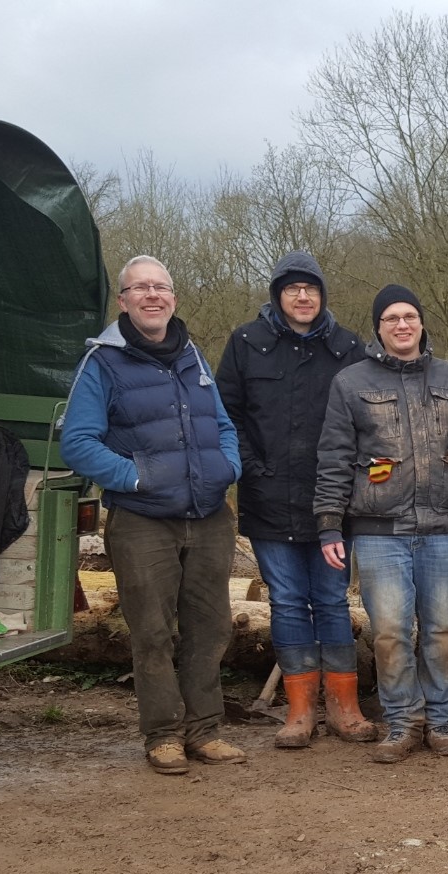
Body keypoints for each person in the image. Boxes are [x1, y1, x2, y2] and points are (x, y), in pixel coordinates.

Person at [63, 255, 245, 775]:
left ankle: (205, 731)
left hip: (209, 515)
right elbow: (77, 442)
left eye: (160, 288)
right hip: (143, 520)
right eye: (139, 288)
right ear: (122, 301)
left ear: (173, 299)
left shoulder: (192, 356)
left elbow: (223, 425)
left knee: (210, 629)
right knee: (152, 633)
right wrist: (135, 478)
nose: (152, 296)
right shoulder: (102, 363)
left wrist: (226, 467)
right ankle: (163, 736)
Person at [313, 284, 448, 764]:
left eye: (409, 315)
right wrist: (329, 524)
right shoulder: (351, 383)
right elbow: (333, 457)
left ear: (422, 322)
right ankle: (403, 721)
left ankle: (443, 721)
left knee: (440, 630)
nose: (402, 324)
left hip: (442, 528)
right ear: (378, 327)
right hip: (376, 530)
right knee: (388, 632)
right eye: (391, 318)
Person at [216, 251, 374, 749]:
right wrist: (251, 467)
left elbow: (366, 422)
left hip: (333, 501)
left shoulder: (347, 347)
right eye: (292, 288)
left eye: (311, 288)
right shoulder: (247, 342)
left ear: (323, 295)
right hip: (268, 498)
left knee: (330, 599)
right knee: (285, 601)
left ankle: (344, 708)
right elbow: (226, 414)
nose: (302, 297)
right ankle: (300, 710)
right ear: (277, 295)